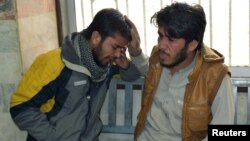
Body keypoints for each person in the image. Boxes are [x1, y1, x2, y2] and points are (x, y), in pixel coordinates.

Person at [9, 8, 148, 141]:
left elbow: (134, 75)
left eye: (122, 49)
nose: (118, 54)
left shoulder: (106, 64)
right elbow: (20, 106)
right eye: (114, 47)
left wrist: (130, 59)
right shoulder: (55, 62)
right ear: (95, 38)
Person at [134, 2, 234, 141]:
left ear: (192, 44)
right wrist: (135, 51)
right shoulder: (158, 58)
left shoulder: (216, 76)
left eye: (171, 39)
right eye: (160, 36)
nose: (161, 45)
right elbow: (147, 68)